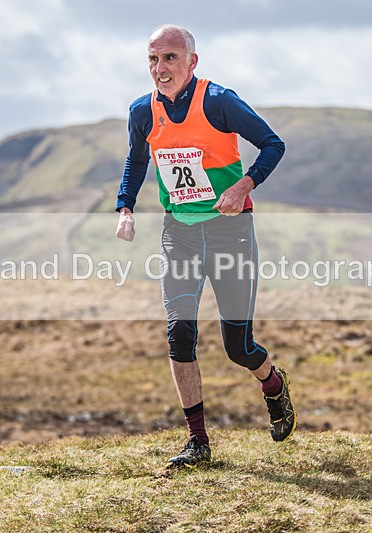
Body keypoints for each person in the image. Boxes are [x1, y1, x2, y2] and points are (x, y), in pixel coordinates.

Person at [115, 24, 295, 469]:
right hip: (179, 232)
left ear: (192, 62)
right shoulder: (142, 111)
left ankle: (272, 385)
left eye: (170, 58)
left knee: (238, 346)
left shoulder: (219, 102)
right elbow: (137, 159)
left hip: (229, 231)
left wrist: (244, 187)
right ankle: (198, 441)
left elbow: (273, 144)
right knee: (179, 334)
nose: (161, 69)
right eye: (153, 59)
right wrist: (125, 206)